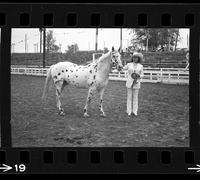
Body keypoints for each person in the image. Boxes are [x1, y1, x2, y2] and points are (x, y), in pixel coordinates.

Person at [123, 52, 144, 117]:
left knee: (135, 98)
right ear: (132, 58)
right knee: (129, 97)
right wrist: (118, 68)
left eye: (136, 58)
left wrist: (139, 75)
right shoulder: (129, 64)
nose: (135, 59)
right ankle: (129, 111)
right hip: (129, 82)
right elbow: (122, 68)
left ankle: (135, 111)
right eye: (134, 57)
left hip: (136, 83)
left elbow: (142, 74)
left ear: (138, 58)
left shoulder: (141, 66)